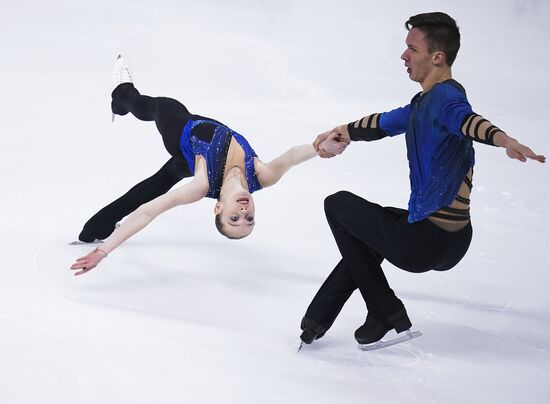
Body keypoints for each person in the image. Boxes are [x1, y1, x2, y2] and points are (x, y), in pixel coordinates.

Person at [299, 12, 545, 348]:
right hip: (453, 242)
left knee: (337, 204)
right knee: (367, 232)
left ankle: (386, 309)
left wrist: (505, 141)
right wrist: (342, 132)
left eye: (412, 49)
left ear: (437, 57)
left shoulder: (446, 99)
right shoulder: (422, 104)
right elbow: (383, 122)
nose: (404, 56)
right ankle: (324, 320)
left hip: (424, 243)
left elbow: (469, 120)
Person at [70, 55, 344, 276]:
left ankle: (121, 96)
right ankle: (94, 229)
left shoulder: (200, 186)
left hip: (182, 134)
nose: (243, 211)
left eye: (234, 218)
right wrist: (320, 148)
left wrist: (104, 251)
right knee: (155, 184)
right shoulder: (263, 176)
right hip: (193, 151)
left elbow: (147, 212)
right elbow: (292, 157)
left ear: (218, 207)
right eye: (249, 219)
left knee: (160, 107)